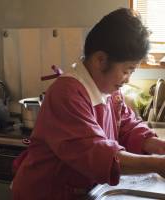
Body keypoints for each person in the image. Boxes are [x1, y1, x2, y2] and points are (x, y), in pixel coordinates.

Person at [12, 8, 165, 200]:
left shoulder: (110, 91)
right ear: (101, 60)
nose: (127, 79)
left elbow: (127, 126)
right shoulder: (66, 93)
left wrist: (158, 146)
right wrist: (157, 164)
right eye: (127, 70)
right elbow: (95, 152)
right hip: (47, 193)